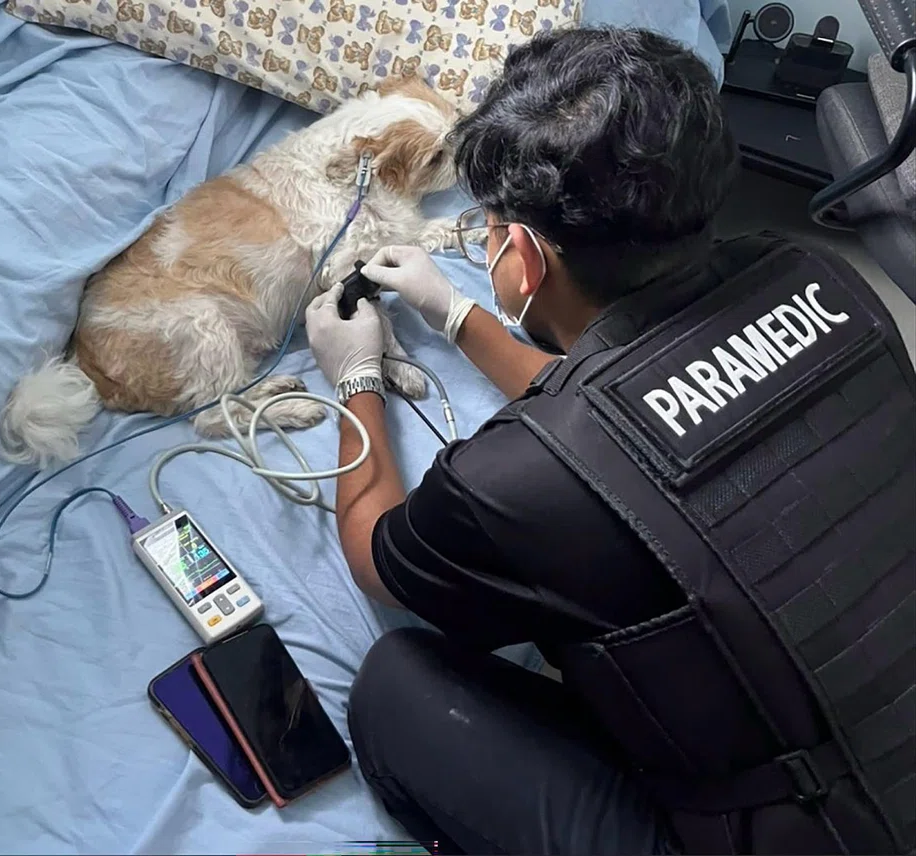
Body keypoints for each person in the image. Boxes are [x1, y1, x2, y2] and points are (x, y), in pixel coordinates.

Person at [305, 26, 915, 856]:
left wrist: (355, 382)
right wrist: (455, 315)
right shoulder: (820, 277)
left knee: (397, 688)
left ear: (523, 257)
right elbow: (631, 409)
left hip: (804, 833)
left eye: (488, 229)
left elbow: (376, 556)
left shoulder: (512, 478)